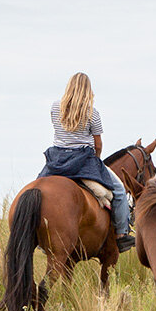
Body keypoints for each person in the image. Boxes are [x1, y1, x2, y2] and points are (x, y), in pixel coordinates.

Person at [38, 72, 133, 250]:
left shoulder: (55, 107)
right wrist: (97, 161)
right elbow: (98, 144)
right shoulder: (93, 113)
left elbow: (58, 132)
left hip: (57, 160)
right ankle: (121, 234)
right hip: (83, 161)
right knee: (119, 191)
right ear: (88, 90)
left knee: (37, 187)